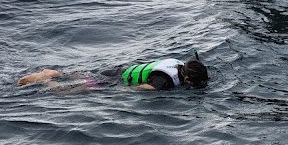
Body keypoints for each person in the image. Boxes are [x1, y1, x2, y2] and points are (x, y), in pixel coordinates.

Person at [17, 52, 209, 92]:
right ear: (185, 76)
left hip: (118, 70)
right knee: (62, 93)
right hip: (113, 82)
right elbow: (136, 89)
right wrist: (115, 97)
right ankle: (44, 80)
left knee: (85, 74)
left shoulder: (176, 63)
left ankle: (56, 73)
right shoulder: (163, 81)